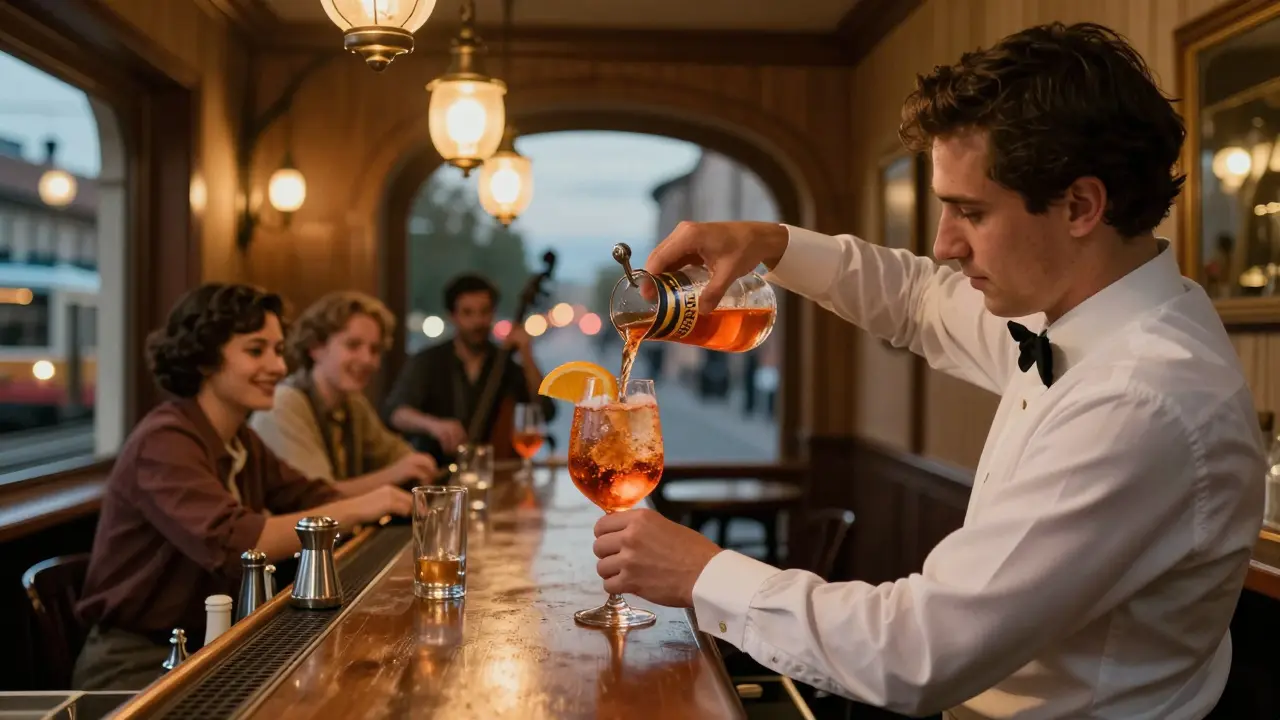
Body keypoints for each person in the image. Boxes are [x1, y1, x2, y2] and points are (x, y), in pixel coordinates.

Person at [590, 22, 1265, 720]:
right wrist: (772, 242)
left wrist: (702, 573)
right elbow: (916, 300)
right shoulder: (1075, 317)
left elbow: (920, 650)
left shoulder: (1141, 398)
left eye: (971, 211)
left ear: (1081, 207)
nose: (944, 244)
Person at [73, 284, 412, 691]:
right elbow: (241, 542)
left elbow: (312, 495)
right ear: (204, 360)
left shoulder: (241, 440)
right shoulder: (164, 441)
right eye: (256, 351)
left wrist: (399, 502)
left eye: (278, 350)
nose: (279, 367)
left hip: (215, 647)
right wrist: (365, 505)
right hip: (136, 663)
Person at [250, 290, 438, 491]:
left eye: (375, 350)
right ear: (315, 347)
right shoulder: (283, 403)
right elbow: (316, 496)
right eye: (353, 345)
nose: (367, 360)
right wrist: (396, 473)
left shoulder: (352, 403)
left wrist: (416, 463)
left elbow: (395, 454)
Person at [384, 273, 555, 464]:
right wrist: (434, 425)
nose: (478, 321)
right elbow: (395, 412)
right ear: (452, 316)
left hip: (496, 472)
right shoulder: (428, 361)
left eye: (485, 312)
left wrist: (526, 354)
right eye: (468, 313)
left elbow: (545, 411)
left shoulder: (505, 365)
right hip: (438, 470)